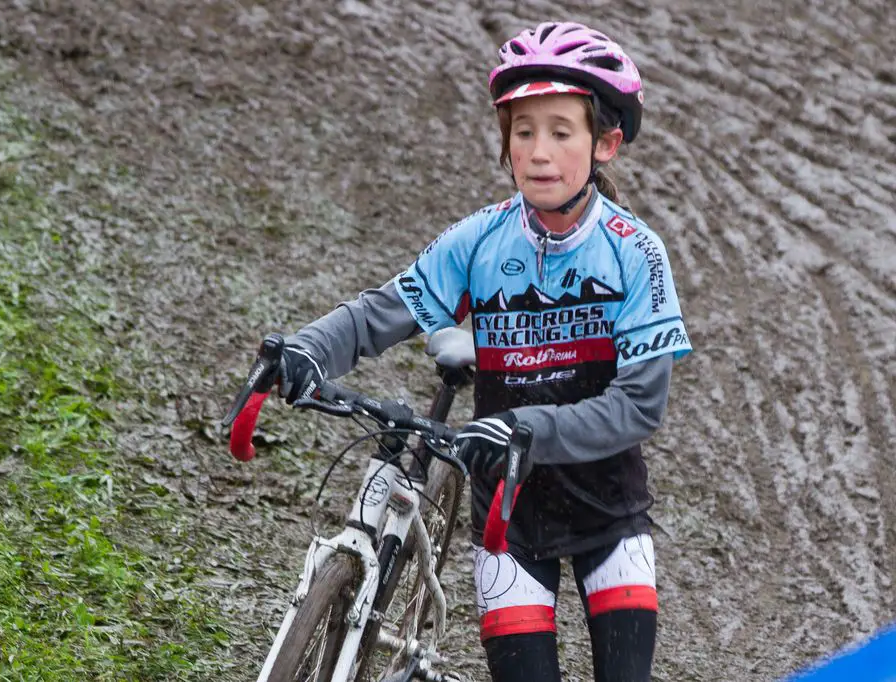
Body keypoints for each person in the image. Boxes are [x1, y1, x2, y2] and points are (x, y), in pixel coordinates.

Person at [268, 20, 692, 682]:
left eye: (561, 131)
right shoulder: (479, 240)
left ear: (605, 142)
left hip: (610, 514)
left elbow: (639, 405)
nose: (539, 152)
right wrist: (306, 351)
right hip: (507, 518)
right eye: (523, 132)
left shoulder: (635, 252)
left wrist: (528, 427)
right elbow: (386, 309)